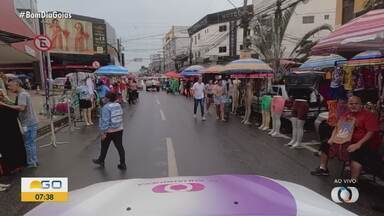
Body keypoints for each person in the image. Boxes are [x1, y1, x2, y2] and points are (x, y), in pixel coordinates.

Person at [310, 96, 384, 181]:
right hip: (345, 141)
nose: (353, 106)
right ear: (348, 105)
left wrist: (358, 144)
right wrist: (332, 138)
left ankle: (353, 180)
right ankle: (323, 169)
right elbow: (337, 128)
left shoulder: (369, 115)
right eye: (351, 104)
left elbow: (371, 132)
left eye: (356, 104)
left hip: (364, 144)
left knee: (356, 152)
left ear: (361, 105)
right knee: (325, 144)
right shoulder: (347, 114)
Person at [0, 79, 39, 168]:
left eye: (10, 86)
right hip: (31, 121)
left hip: (28, 122)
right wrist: (6, 99)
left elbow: (21, 108)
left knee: (29, 143)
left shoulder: (22, 95)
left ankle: (31, 162)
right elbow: (17, 105)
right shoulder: (23, 93)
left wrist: (4, 104)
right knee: (31, 142)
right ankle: (34, 160)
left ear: (17, 84)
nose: (9, 88)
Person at [93, 92, 126, 170]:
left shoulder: (106, 107)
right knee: (120, 147)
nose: (104, 99)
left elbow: (105, 121)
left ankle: (101, 160)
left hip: (109, 131)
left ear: (108, 99)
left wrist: (103, 132)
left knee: (104, 146)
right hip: (119, 129)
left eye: (105, 98)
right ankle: (123, 163)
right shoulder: (118, 105)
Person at [0, 89, 27, 173]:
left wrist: (5, 99)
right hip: (7, 132)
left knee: (11, 149)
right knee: (10, 149)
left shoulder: (5, 104)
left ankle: (14, 167)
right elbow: (15, 110)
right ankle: (14, 167)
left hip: (10, 131)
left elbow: (16, 108)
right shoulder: (5, 105)